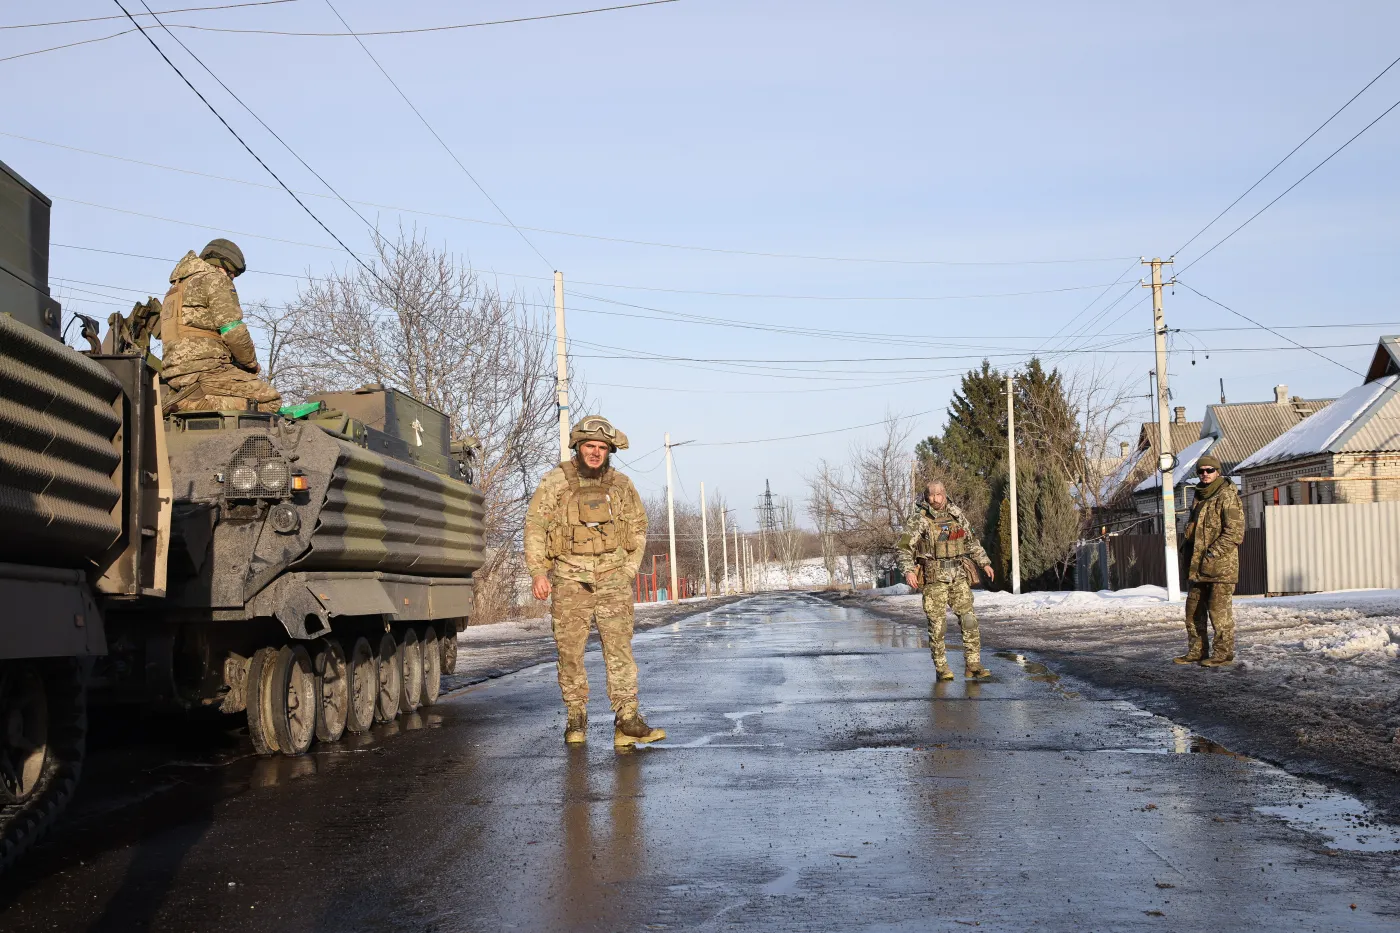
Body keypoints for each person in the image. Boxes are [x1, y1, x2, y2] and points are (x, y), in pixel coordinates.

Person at [524, 416, 665, 747]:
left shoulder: (621, 485)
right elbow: (535, 526)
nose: (596, 452)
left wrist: (629, 569)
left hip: (613, 579)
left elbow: (639, 526)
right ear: (577, 446)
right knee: (569, 652)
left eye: (602, 447)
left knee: (619, 650)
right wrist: (537, 572)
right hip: (569, 579)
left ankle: (627, 721)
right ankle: (576, 717)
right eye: (590, 446)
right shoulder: (554, 482)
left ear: (610, 450)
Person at [159, 238, 281, 413]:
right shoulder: (215, 280)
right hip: (207, 370)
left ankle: (191, 399)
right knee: (271, 399)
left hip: (174, 373)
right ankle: (190, 405)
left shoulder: (175, 290)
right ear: (222, 266)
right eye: (233, 274)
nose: (232, 279)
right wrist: (251, 363)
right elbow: (233, 330)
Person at [896, 481, 996, 682]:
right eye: (931, 495)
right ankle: (942, 667)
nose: (936, 498)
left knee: (969, 620)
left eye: (939, 494)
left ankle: (973, 664)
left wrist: (984, 562)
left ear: (945, 494)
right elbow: (904, 549)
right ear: (926, 497)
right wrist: (908, 571)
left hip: (958, 575)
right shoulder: (919, 520)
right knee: (937, 625)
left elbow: (971, 541)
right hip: (934, 579)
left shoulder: (956, 515)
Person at [1177, 455, 1245, 667]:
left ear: (1218, 472)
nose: (1205, 474)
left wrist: (1212, 553)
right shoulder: (1198, 495)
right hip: (1197, 567)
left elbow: (1235, 533)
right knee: (1193, 612)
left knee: (1219, 613)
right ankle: (1197, 651)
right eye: (1201, 471)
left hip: (1220, 567)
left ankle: (1223, 654)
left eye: (1210, 470)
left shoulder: (1227, 495)